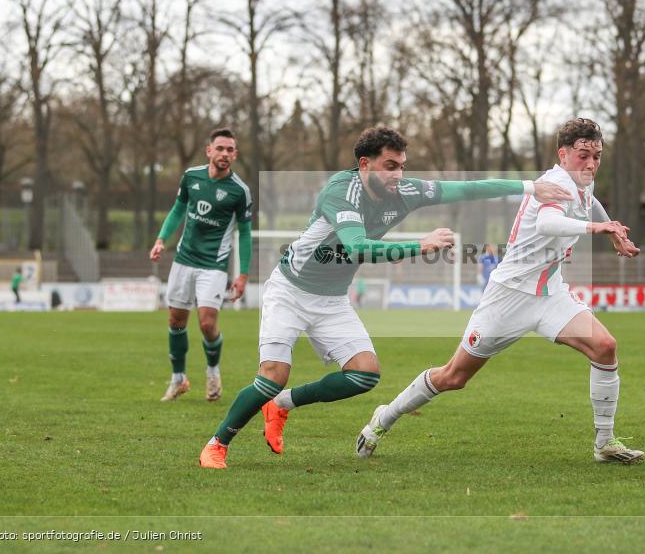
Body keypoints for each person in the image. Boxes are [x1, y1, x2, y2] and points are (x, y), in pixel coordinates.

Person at [199, 126, 573, 468]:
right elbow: (358, 247)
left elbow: (466, 188)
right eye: (389, 166)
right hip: (290, 291)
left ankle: (281, 406)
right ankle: (217, 444)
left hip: (331, 298)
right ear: (365, 164)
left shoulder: (405, 190)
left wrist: (528, 187)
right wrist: (421, 244)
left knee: (364, 375)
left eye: (401, 166)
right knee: (273, 375)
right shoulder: (340, 192)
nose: (397, 174)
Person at [355, 118, 645, 464]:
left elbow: (590, 201)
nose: (592, 164)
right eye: (584, 155)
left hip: (550, 293)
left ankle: (604, 443)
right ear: (563, 154)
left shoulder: (581, 183)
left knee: (605, 346)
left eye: (597, 156)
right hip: (508, 297)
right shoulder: (554, 183)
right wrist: (597, 227)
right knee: (453, 377)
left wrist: (612, 228)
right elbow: (547, 223)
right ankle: (383, 419)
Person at [149, 127, 252, 403]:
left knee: (207, 323)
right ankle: (178, 379)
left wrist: (242, 275)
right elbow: (177, 210)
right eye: (220, 148)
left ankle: (212, 371)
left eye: (230, 150)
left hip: (214, 265)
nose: (225, 154)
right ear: (209, 151)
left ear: (235, 155)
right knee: (176, 321)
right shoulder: (191, 177)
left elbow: (245, 233)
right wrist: (161, 239)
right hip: (184, 260)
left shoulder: (239, 191)